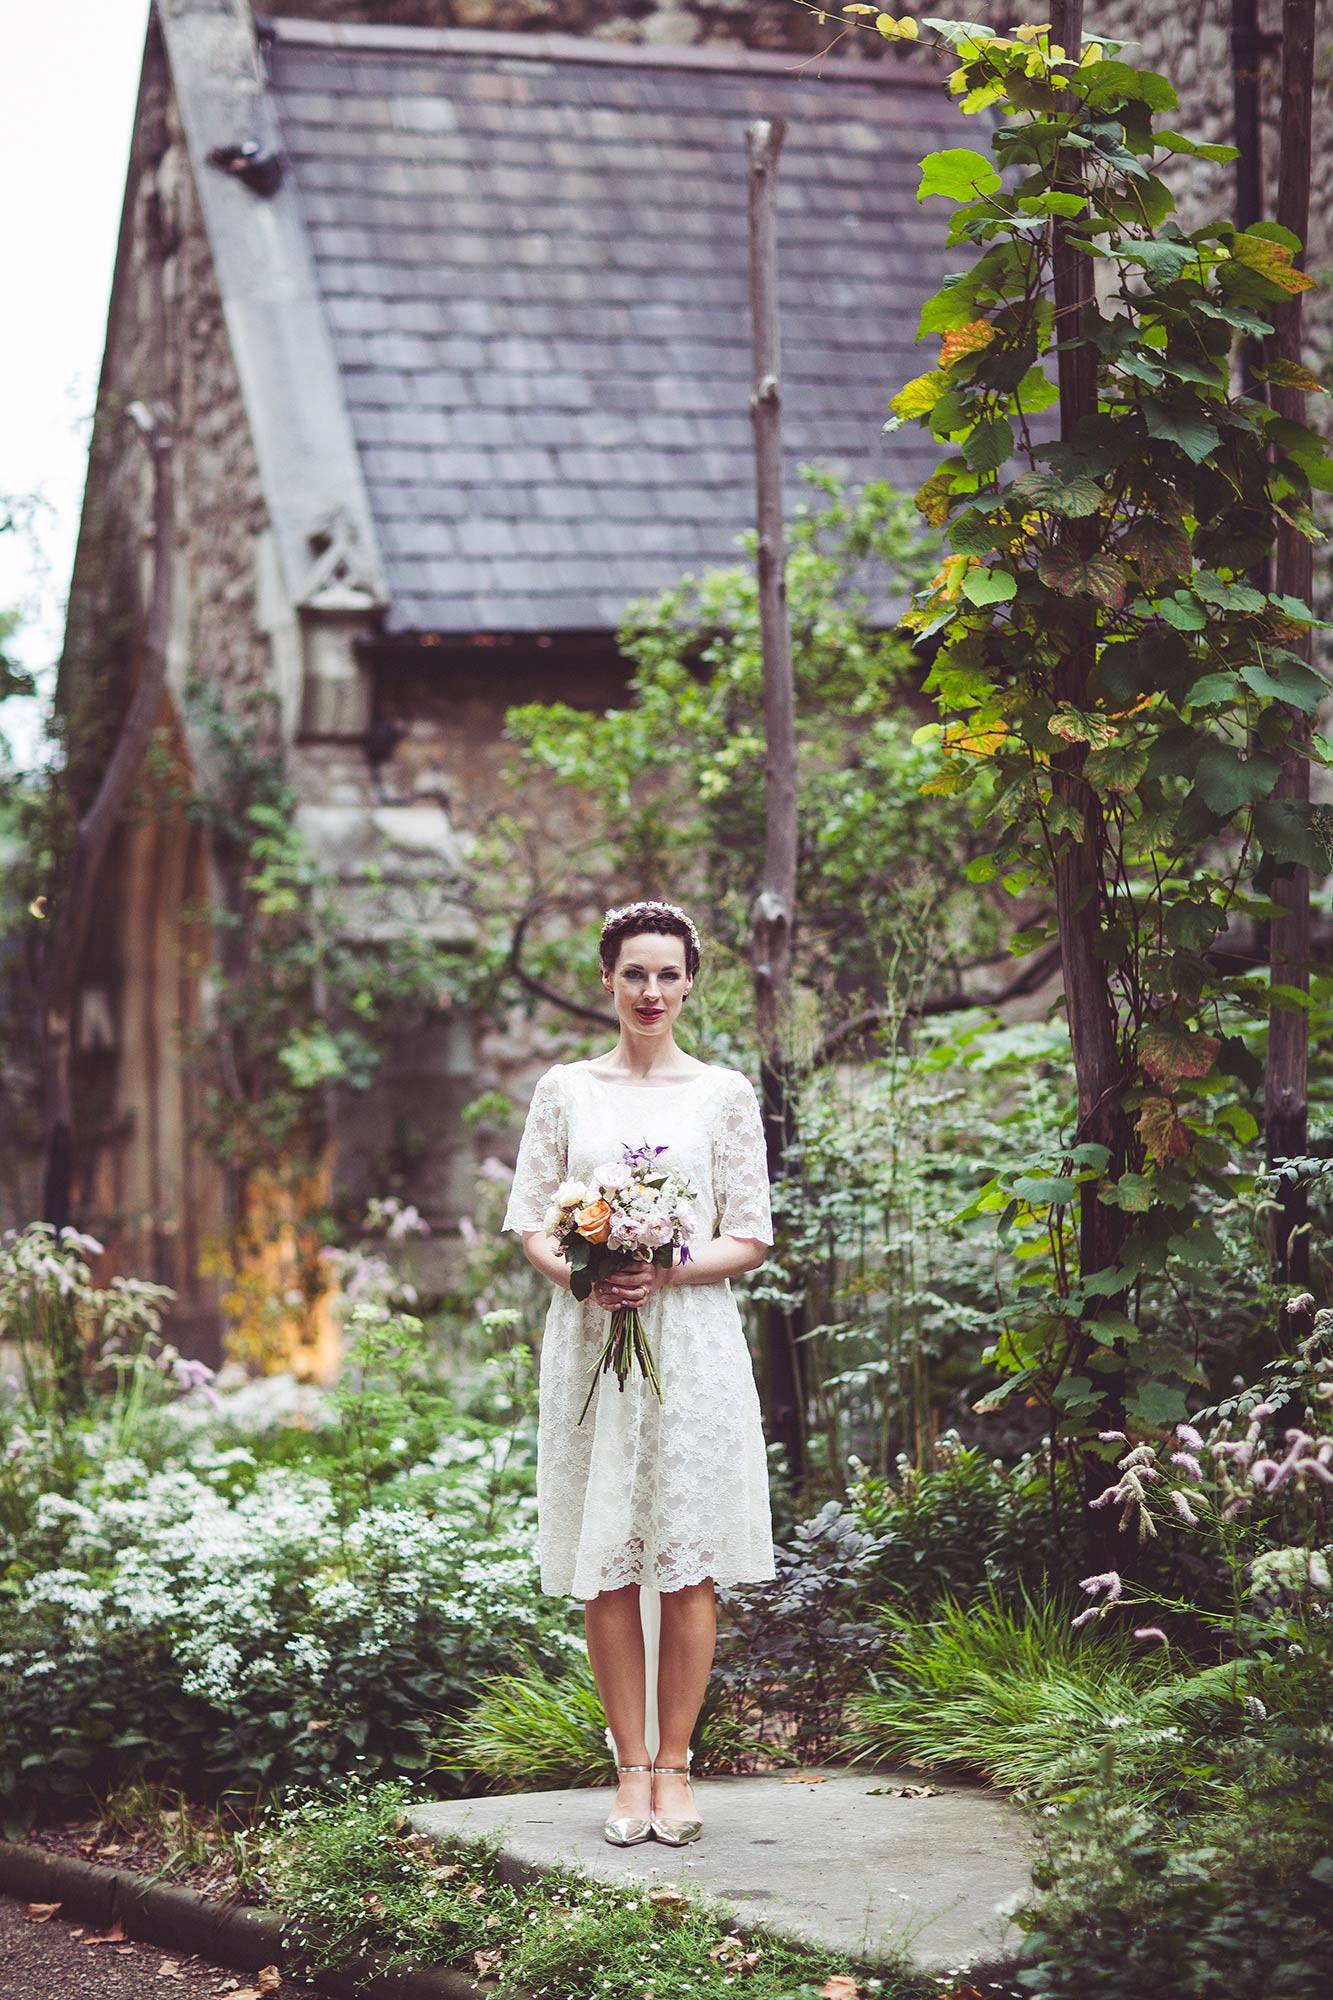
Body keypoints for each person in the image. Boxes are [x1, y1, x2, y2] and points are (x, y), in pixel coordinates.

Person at [502, 899, 775, 1847]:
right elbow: (532, 1220)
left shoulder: (724, 1094)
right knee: (608, 1562)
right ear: (607, 981)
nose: (650, 991)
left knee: (685, 1559)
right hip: (590, 1344)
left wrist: (658, 1266)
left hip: (692, 1343)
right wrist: (586, 1273)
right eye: (634, 974)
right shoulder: (564, 1090)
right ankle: (626, 1773)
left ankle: (675, 1769)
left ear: (689, 982)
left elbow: (750, 1234)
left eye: (667, 974)